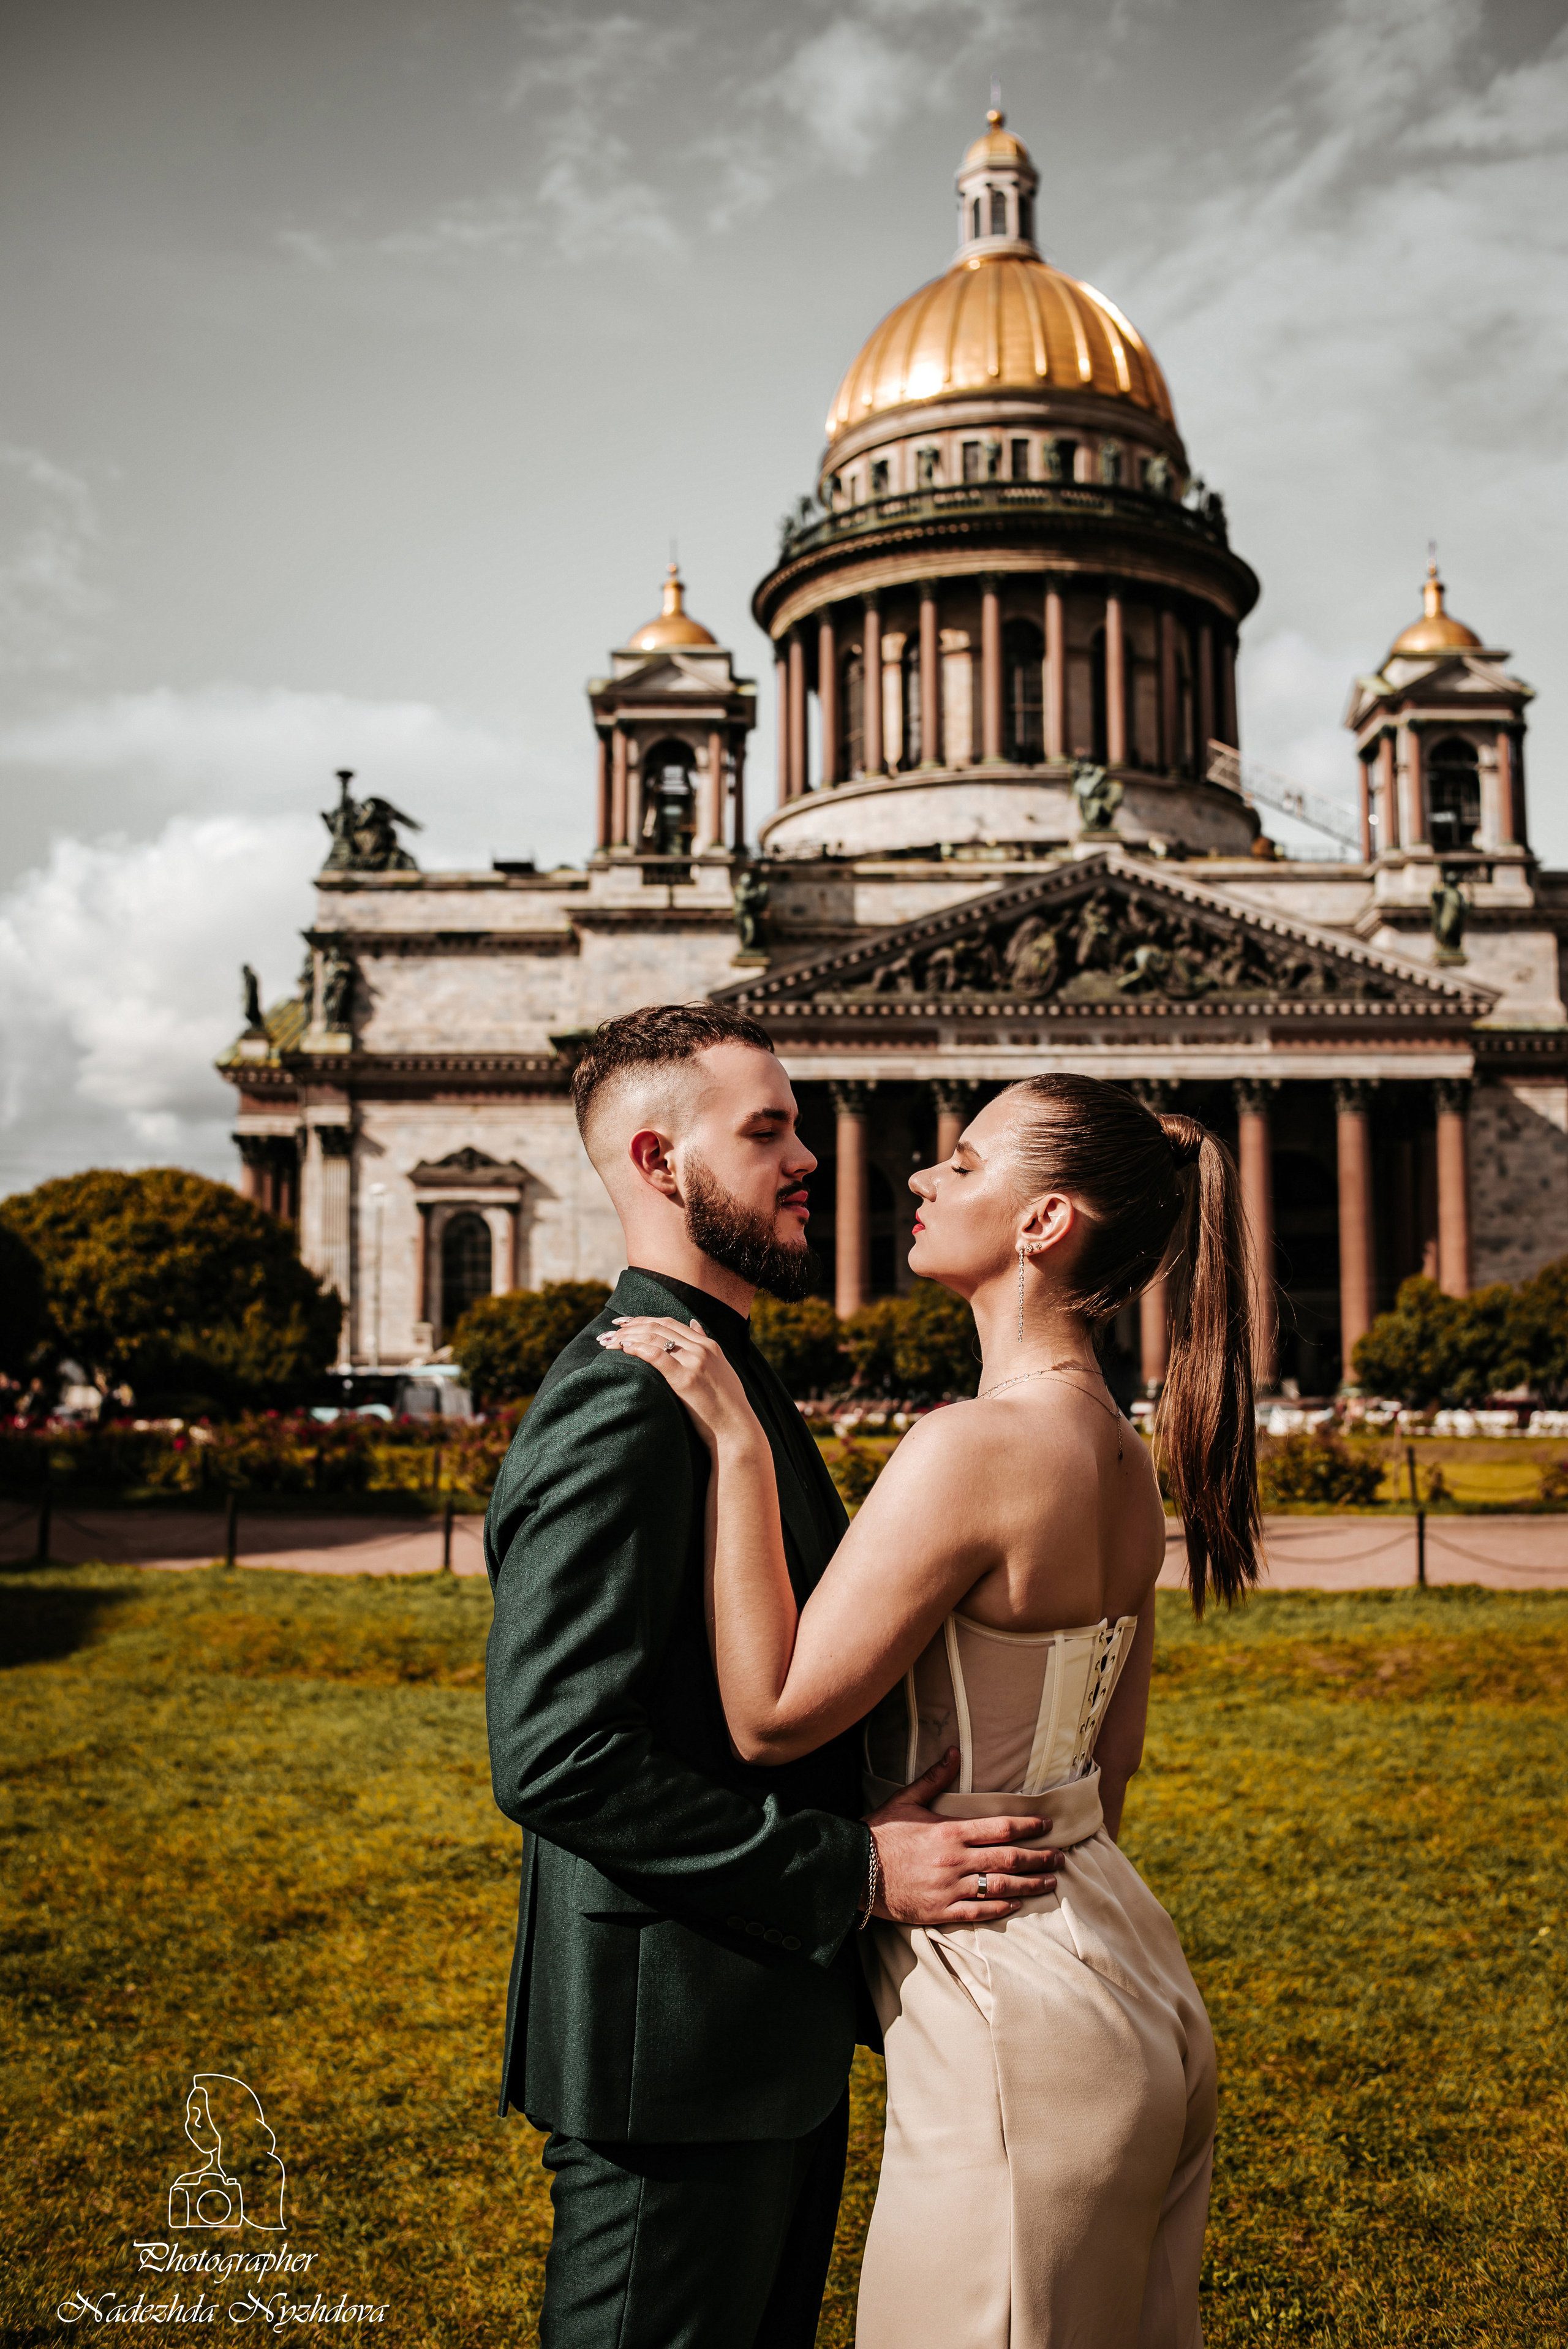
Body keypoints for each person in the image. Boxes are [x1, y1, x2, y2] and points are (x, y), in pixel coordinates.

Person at [605, 1071, 1263, 2348]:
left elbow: (771, 1713)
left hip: (1015, 2028)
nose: (917, 1176)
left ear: (1040, 1224)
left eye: (961, 1165)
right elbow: (1099, 1780)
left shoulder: (972, 1446)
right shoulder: (1121, 1460)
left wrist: (737, 1442)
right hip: (1127, 1975)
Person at [484, 1003, 1061, 2349]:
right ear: (656, 1162)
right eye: (768, 1131)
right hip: (672, 2058)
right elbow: (558, 1752)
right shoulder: (628, 1396)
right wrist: (852, 1876)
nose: (809, 1157)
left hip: (752, 2038)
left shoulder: (719, 1377)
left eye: (798, 1124)